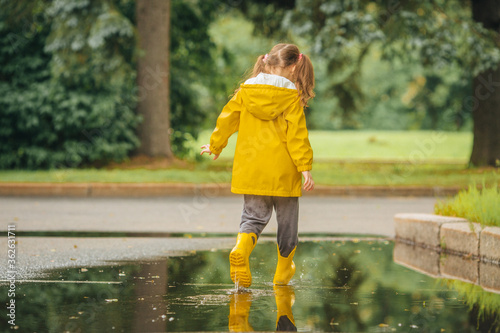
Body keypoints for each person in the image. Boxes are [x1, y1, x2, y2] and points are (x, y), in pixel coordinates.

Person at [201, 43, 315, 288]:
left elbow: (227, 118)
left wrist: (215, 145)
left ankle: (241, 247)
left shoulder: (245, 91)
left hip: (251, 169)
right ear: (295, 66)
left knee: (252, 218)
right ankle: (283, 269)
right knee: (287, 222)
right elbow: (297, 136)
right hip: (284, 171)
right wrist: (305, 167)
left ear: (265, 62)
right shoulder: (291, 97)